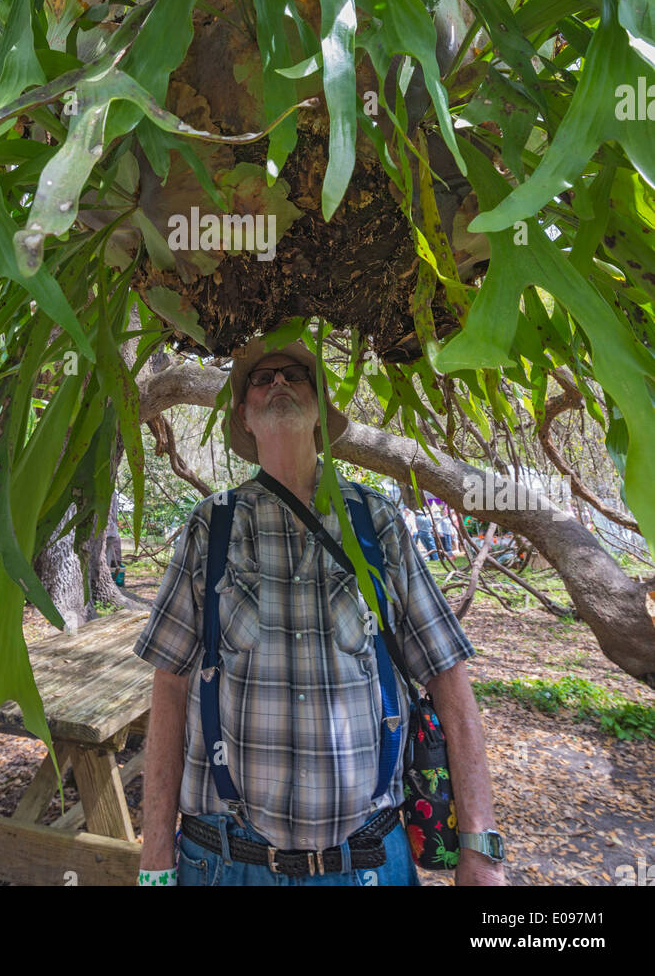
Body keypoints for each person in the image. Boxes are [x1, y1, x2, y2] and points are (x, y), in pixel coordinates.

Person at [133, 336, 505, 887]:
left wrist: (480, 846)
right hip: (228, 863)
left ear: (318, 409)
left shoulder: (376, 523)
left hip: (368, 863)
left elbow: (449, 678)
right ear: (245, 415)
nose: (279, 382)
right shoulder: (210, 527)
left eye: (295, 375)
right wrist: (155, 861)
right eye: (262, 377)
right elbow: (170, 689)